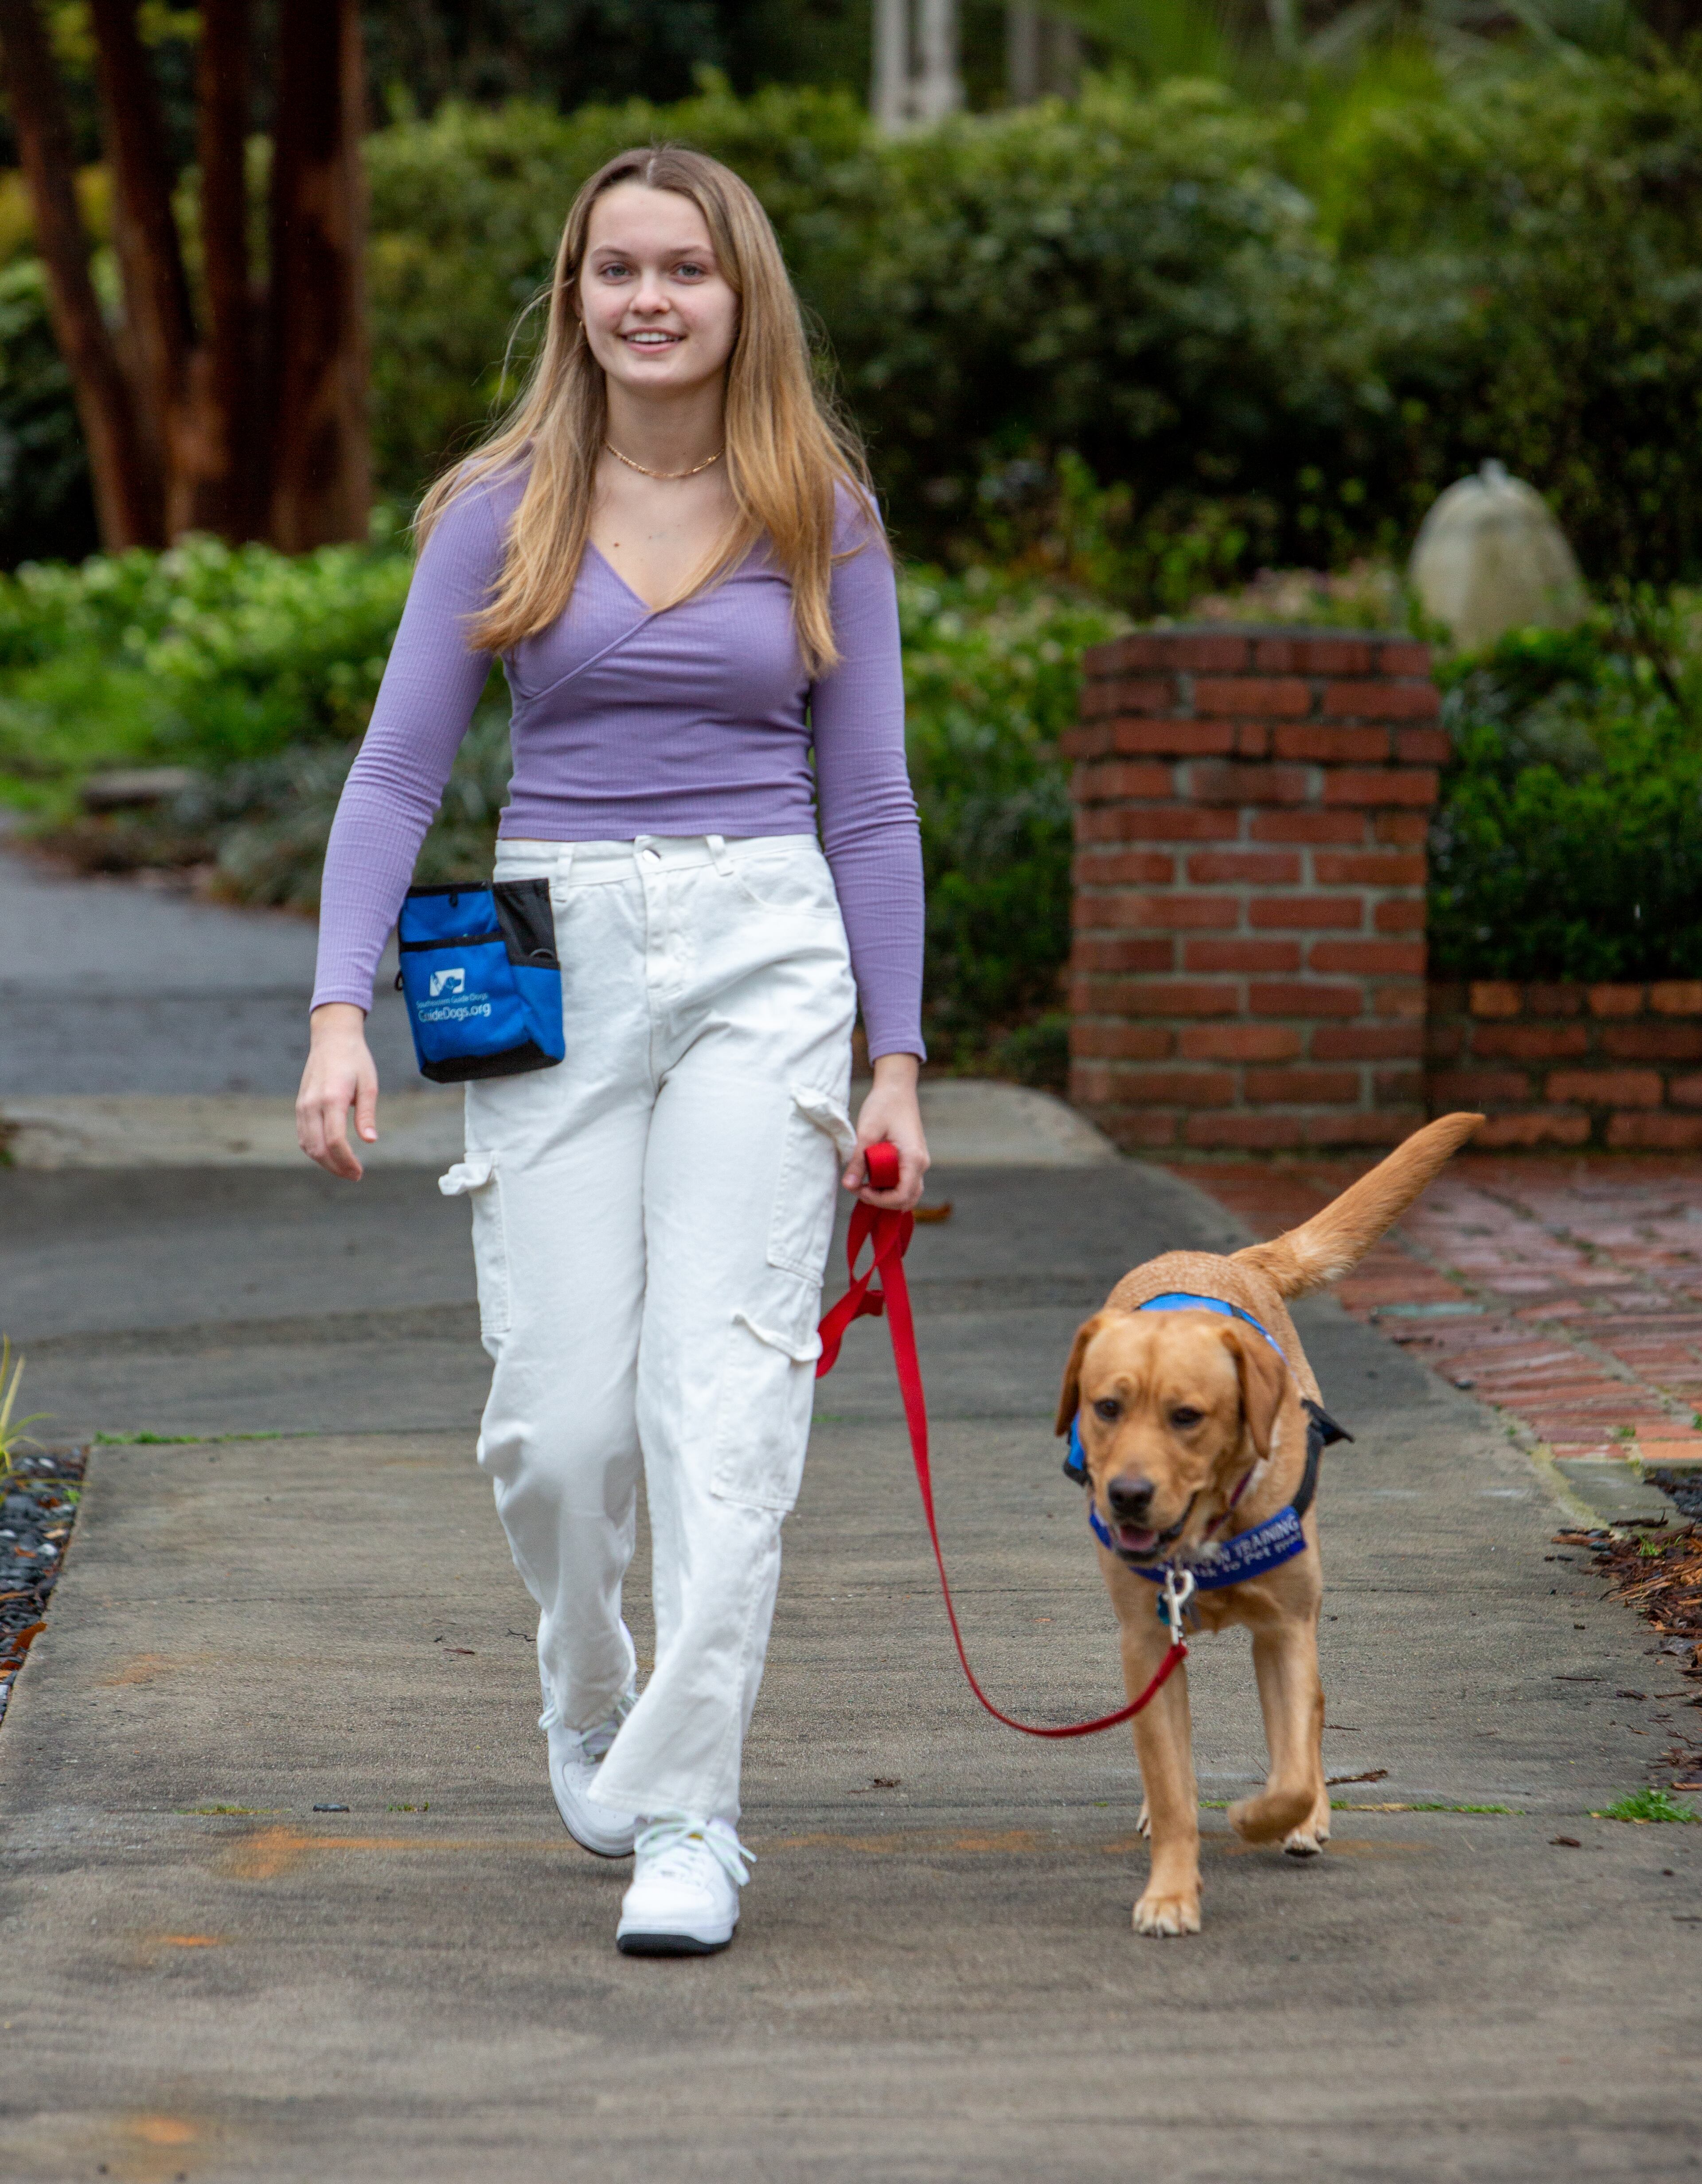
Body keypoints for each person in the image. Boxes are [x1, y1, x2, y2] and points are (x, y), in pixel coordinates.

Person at [295, 144, 928, 1958]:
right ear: (575, 297)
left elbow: (872, 804)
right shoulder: (497, 511)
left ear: (745, 297)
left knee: (719, 1402)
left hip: (765, 943)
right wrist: (343, 1006)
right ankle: (593, 1685)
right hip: (546, 934)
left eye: (687, 268)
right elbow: (400, 775)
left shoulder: (823, 510)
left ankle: (687, 1810)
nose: (650, 298)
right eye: (615, 268)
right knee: (561, 1425)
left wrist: (895, 1063)